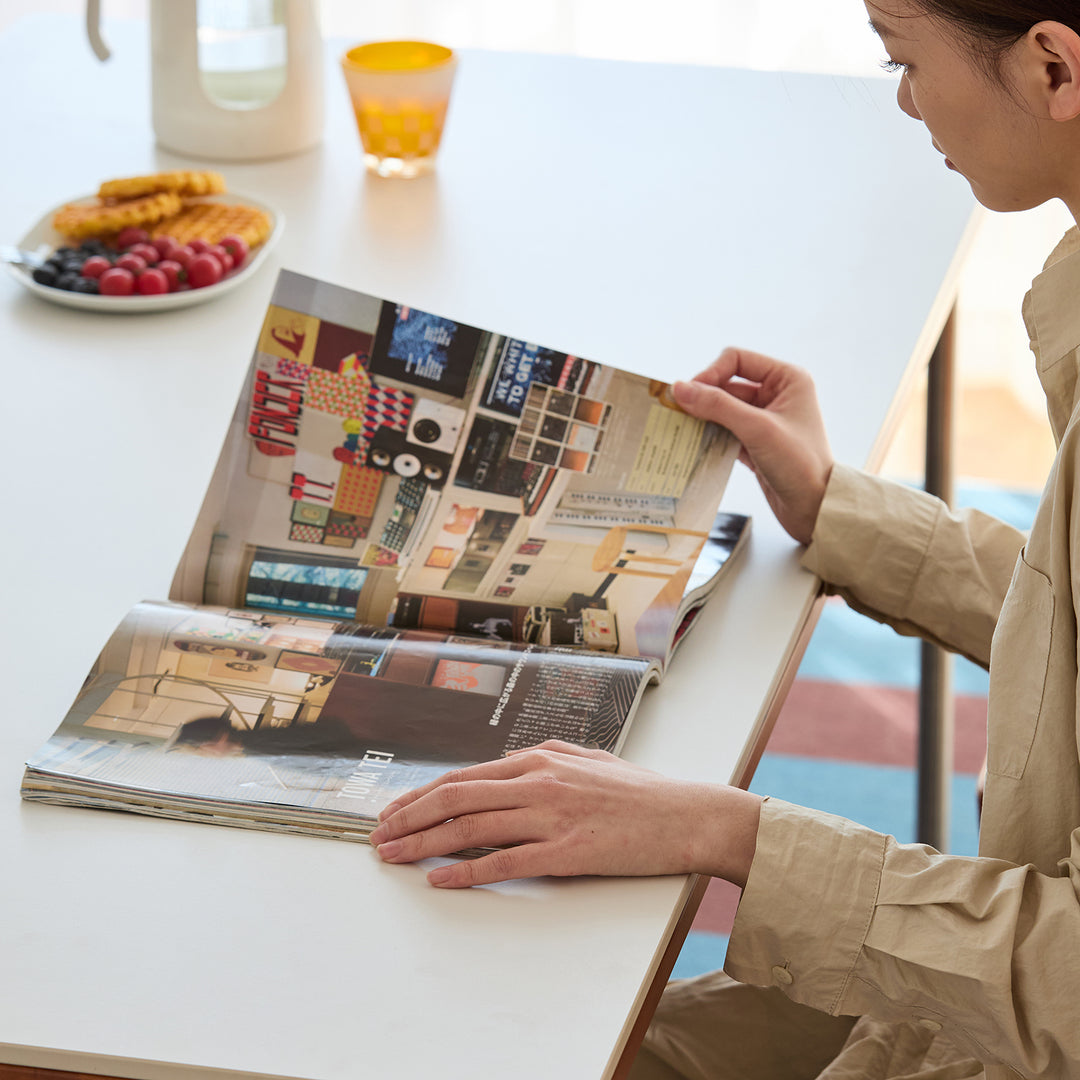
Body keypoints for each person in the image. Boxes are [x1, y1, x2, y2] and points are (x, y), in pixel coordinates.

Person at [368, 2, 1080, 1076]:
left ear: (1053, 67)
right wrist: (834, 505)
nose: (904, 100)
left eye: (903, 58)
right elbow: (1062, 622)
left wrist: (724, 832)